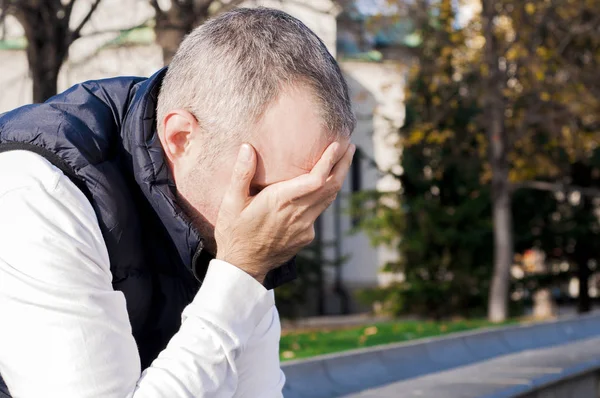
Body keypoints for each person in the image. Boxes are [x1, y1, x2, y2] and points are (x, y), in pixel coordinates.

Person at [0, 7, 355, 398]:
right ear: (181, 137)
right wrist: (239, 272)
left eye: (308, 198)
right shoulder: (38, 197)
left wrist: (240, 271)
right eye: (264, 191)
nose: (290, 224)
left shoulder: (237, 208)